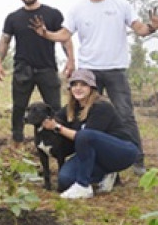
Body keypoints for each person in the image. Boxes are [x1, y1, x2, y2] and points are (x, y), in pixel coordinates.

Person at [31, 0, 157, 174]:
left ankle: (137, 160)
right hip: (88, 72)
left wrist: (152, 27)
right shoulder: (78, 9)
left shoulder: (121, 5)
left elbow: (141, 29)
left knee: (125, 114)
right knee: (81, 114)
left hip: (115, 69)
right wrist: (45, 34)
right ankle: (83, 156)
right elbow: (64, 34)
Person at [0, 0, 75, 144]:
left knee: (54, 107)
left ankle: (58, 141)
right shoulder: (13, 18)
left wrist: (71, 60)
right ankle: (17, 140)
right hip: (23, 68)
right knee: (19, 107)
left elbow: (65, 38)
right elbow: (5, 41)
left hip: (47, 68)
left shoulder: (53, 14)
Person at [44, 70, 140, 199]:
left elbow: (83, 138)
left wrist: (57, 127)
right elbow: (55, 118)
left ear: (92, 88)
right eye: (74, 84)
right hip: (96, 157)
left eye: (83, 84)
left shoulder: (102, 107)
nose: (78, 88)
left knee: (85, 136)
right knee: (65, 179)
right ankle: (107, 174)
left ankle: (83, 185)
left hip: (122, 151)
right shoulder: (71, 108)